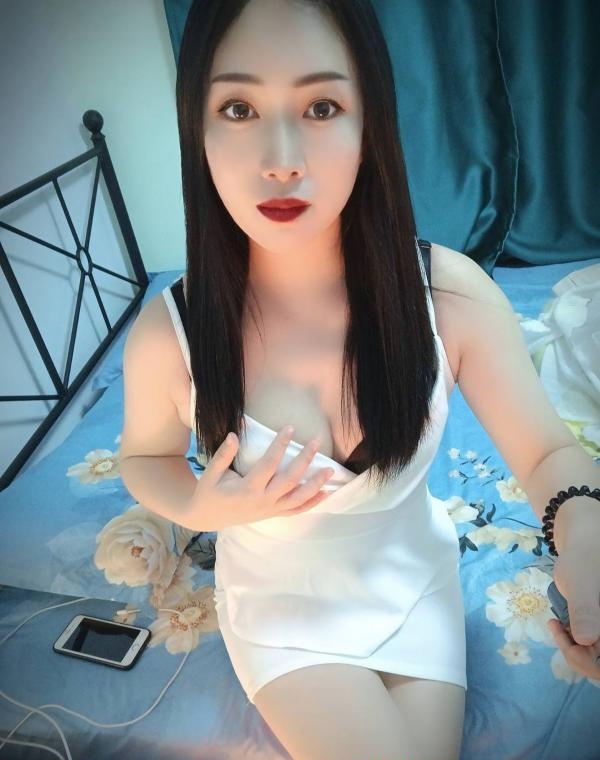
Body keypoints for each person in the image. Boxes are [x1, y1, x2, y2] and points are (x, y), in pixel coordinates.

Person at [120, 1, 600, 758]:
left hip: (417, 586)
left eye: (321, 107)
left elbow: (547, 452)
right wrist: (198, 505)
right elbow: (143, 458)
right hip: (285, 613)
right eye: (239, 108)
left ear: (369, 121)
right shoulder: (170, 336)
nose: (281, 158)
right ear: (196, 128)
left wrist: (587, 533)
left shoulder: (450, 296)